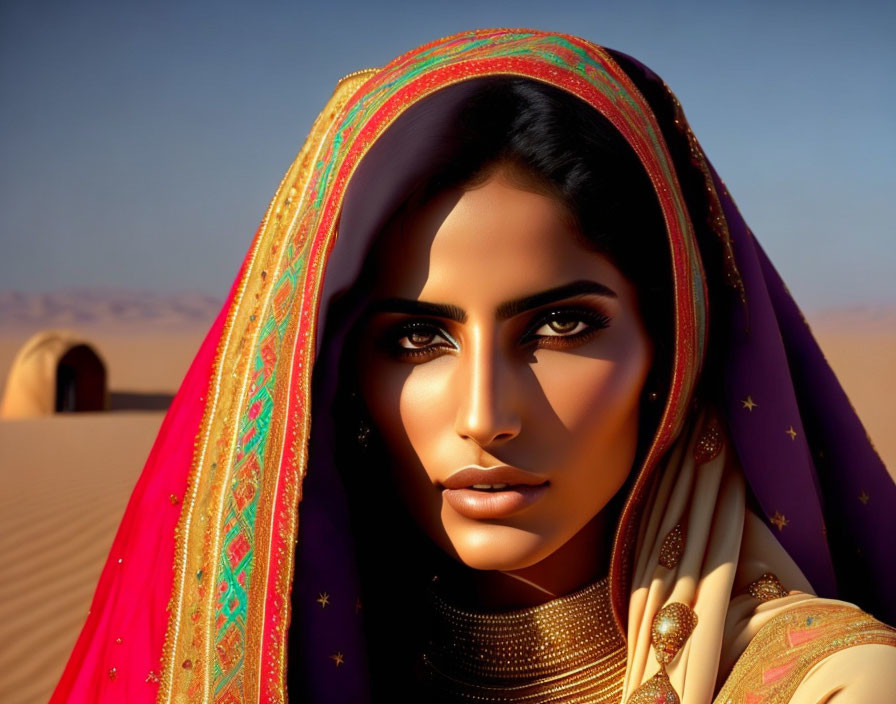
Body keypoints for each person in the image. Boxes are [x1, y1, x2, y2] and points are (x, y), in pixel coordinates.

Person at [48, 27, 896, 704]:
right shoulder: (308, 657)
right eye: (419, 340)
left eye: (562, 325)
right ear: (343, 375)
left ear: (672, 353)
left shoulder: (829, 688)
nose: (485, 414)